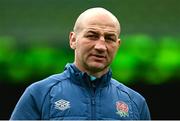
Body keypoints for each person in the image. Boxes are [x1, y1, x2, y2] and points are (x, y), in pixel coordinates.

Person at [10, 7, 151, 120]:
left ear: (118, 45)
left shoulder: (135, 103)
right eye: (92, 36)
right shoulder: (39, 94)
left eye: (109, 38)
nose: (101, 46)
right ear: (73, 40)